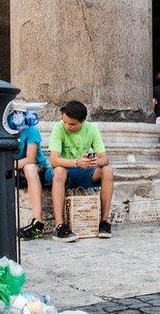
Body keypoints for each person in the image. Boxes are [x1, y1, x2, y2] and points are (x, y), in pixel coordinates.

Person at [47, 100, 114, 242]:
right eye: (64, 122)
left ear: (82, 121)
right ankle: (59, 226)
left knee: (107, 170)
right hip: (61, 171)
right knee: (59, 171)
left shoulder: (91, 129)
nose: (67, 126)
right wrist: (76, 162)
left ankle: (104, 222)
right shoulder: (58, 128)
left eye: (72, 124)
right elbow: (54, 160)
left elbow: (105, 158)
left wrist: (93, 161)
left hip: (83, 170)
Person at [16, 122, 52, 240]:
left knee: (29, 168)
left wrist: (7, 165)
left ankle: (38, 223)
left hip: (36, 167)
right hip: (15, 168)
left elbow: (31, 158)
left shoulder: (31, 129)